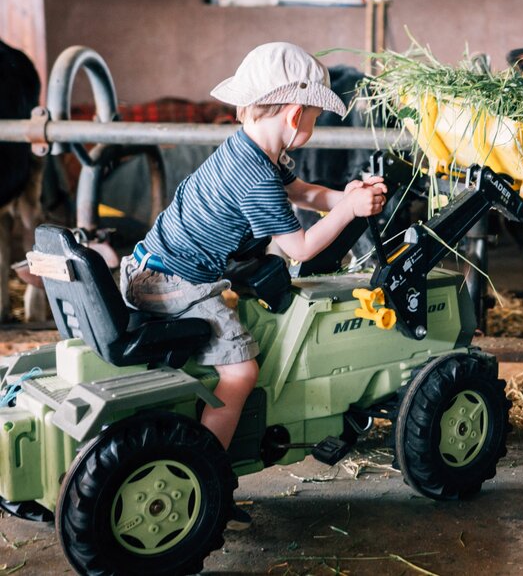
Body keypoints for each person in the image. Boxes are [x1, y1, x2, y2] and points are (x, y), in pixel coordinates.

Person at [119, 41, 386, 528]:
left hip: (154, 264)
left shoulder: (252, 151)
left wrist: (344, 197)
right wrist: (347, 210)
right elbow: (300, 248)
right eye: (315, 118)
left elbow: (302, 193)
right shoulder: (253, 174)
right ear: (294, 115)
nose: (314, 126)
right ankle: (210, 480)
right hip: (167, 280)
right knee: (241, 371)